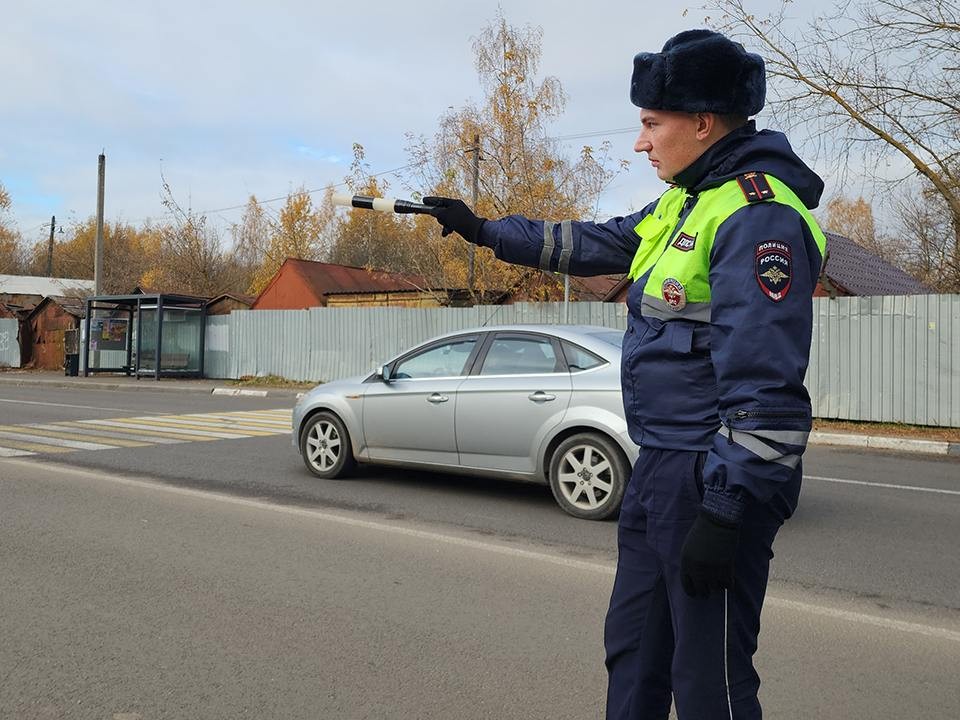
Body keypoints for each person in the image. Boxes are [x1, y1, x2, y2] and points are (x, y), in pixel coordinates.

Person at [423, 27, 826, 719]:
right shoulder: (685, 201)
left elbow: (766, 389)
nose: (641, 143)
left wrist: (726, 510)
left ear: (702, 122)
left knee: (709, 679)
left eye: (651, 124)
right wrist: (484, 229)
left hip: (709, 475)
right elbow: (590, 241)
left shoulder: (758, 217)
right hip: (660, 463)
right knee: (634, 652)